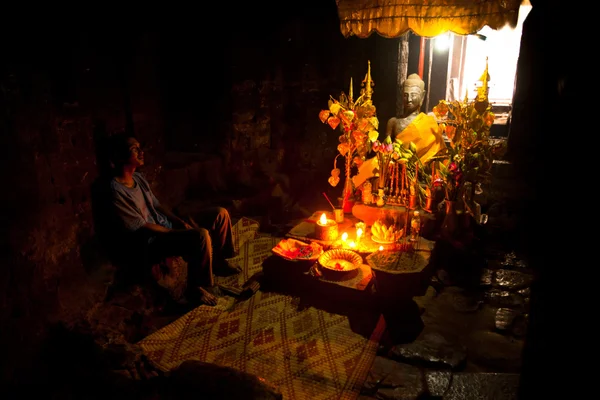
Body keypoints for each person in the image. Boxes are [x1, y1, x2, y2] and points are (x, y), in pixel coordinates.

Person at [103, 131, 238, 306]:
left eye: (140, 148)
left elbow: (157, 205)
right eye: (134, 149)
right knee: (200, 235)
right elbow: (141, 226)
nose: (141, 152)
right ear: (120, 156)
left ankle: (219, 261)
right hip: (153, 240)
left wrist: (179, 221)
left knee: (220, 213)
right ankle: (198, 288)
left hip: (166, 227)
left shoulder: (138, 178)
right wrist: (174, 232)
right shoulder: (116, 190)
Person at [385, 73, 445, 164]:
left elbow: (439, 154)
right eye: (405, 95)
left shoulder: (429, 123)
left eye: (413, 95)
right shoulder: (393, 122)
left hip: (421, 172)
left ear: (422, 96)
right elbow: (386, 151)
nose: (409, 99)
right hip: (396, 170)